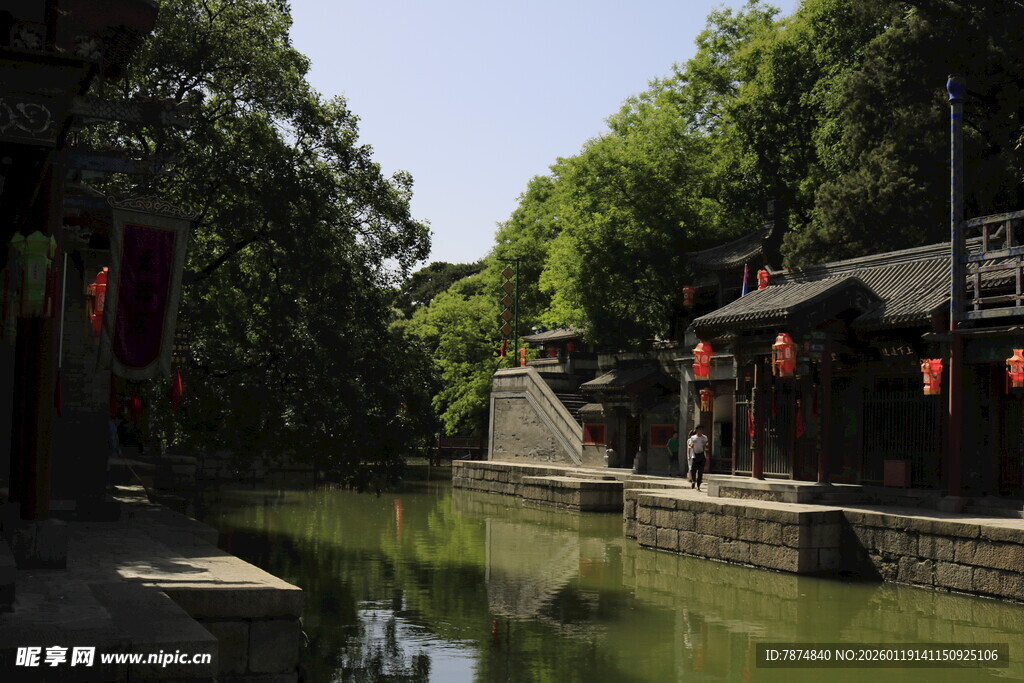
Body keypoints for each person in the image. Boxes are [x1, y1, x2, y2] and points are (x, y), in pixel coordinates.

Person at [687, 424, 709, 491]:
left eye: (702, 429)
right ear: (697, 430)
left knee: (700, 472)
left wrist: (706, 447)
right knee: (693, 470)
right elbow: (689, 446)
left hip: (702, 456)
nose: (701, 431)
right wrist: (691, 448)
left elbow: (707, 446)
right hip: (695, 456)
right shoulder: (693, 438)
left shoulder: (704, 437)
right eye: (700, 429)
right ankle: (693, 481)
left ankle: (698, 486)